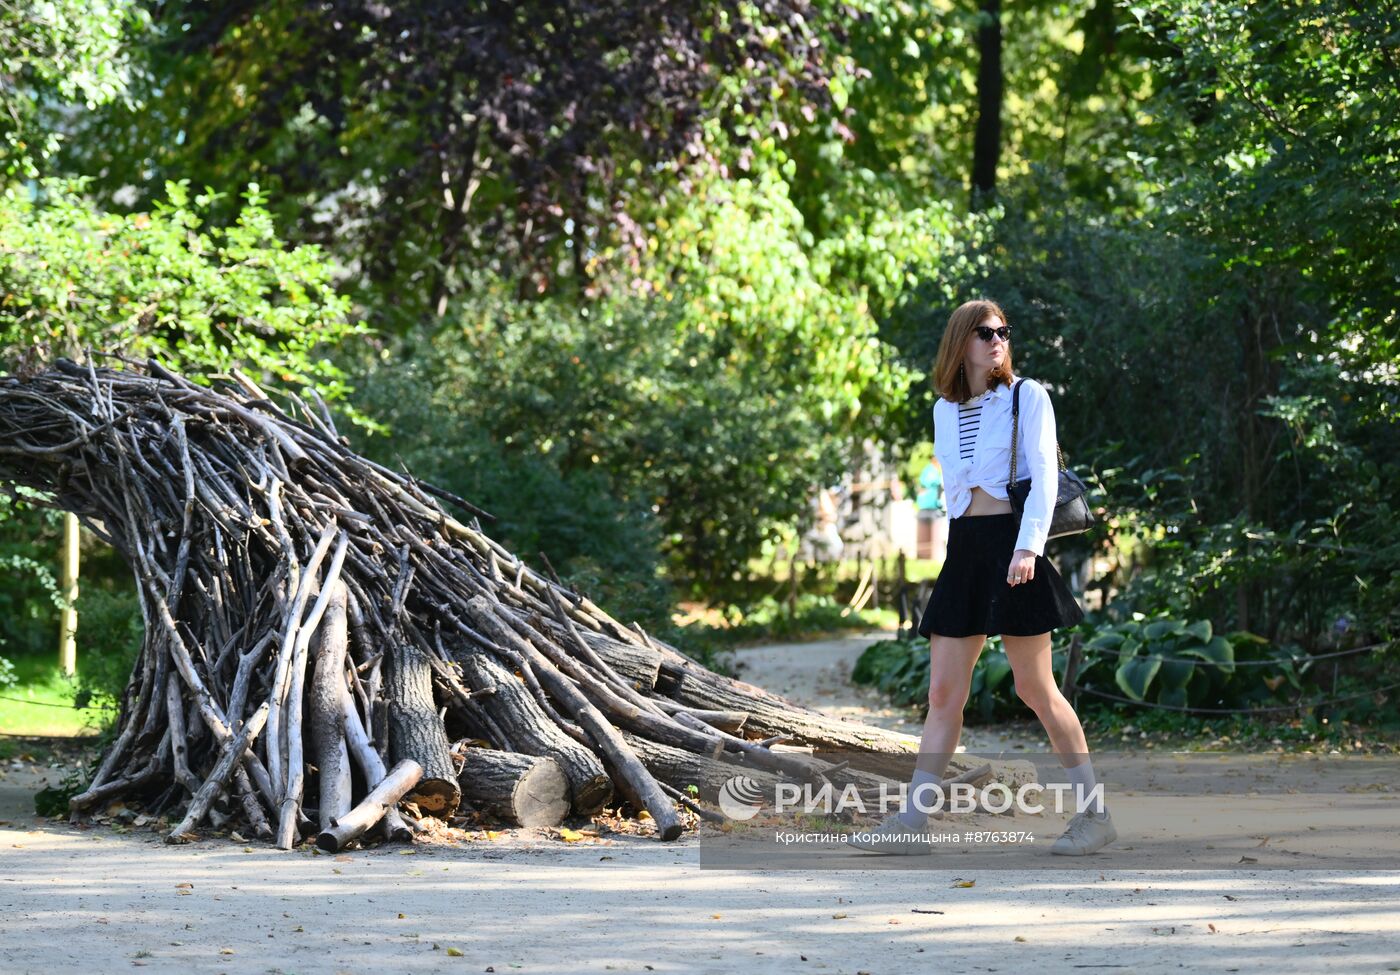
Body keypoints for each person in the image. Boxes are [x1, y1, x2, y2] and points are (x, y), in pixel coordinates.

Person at [849, 298, 1114, 857]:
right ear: (960, 343)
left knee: (1035, 689)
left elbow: (1044, 477)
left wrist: (1028, 549)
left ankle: (1094, 816)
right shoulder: (945, 410)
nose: (997, 340)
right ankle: (912, 826)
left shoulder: (1027, 396)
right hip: (965, 550)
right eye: (984, 332)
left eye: (1003, 331)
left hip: (1014, 547)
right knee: (943, 692)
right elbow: (954, 494)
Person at [915, 458, 947, 563]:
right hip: (930, 507)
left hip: (926, 507)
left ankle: (925, 557)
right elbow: (935, 484)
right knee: (932, 535)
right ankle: (932, 556)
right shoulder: (932, 472)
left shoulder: (926, 471)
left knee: (925, 536)